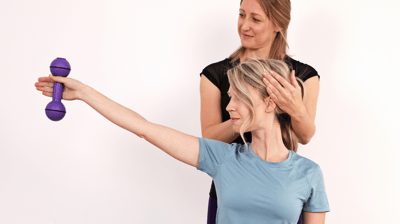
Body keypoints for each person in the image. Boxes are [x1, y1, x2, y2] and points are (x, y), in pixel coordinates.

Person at [35, 57, 329, 223]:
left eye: (239, 98)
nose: (229, 106)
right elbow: (143, 127)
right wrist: (84, 92)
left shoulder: (309, 174)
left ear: (269, 103)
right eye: (230, 97)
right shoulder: (223, 158)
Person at [199, 0, 320, 223]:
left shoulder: (303, 76)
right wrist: (251, 112)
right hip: (230, 193)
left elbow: (305, 135)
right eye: (241, 15)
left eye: (255, 19)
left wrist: (294, 108)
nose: (244, 25)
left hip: (283, 195)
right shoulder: (214, 74)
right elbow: (209, 141)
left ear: (278, 24)